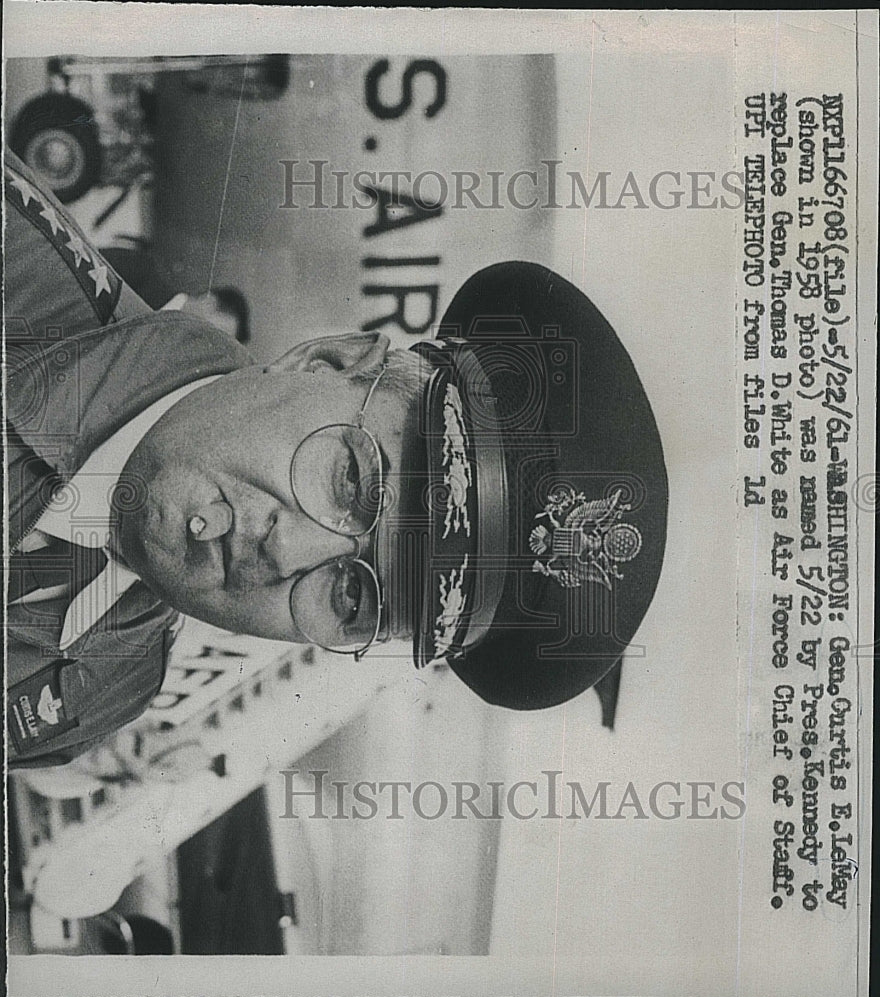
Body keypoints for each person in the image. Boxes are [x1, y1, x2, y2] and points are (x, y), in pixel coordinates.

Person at [5, 147, 668, 769]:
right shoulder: (16, 264)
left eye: (350, 594)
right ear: (327, 360)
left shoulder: (111, 684)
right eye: (349, 481)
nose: (286, 555)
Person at [101, 242, 252, 344]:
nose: (207, 344)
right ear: (210, 302)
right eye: (215, 334)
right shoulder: (141, 269)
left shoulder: (161, 353)